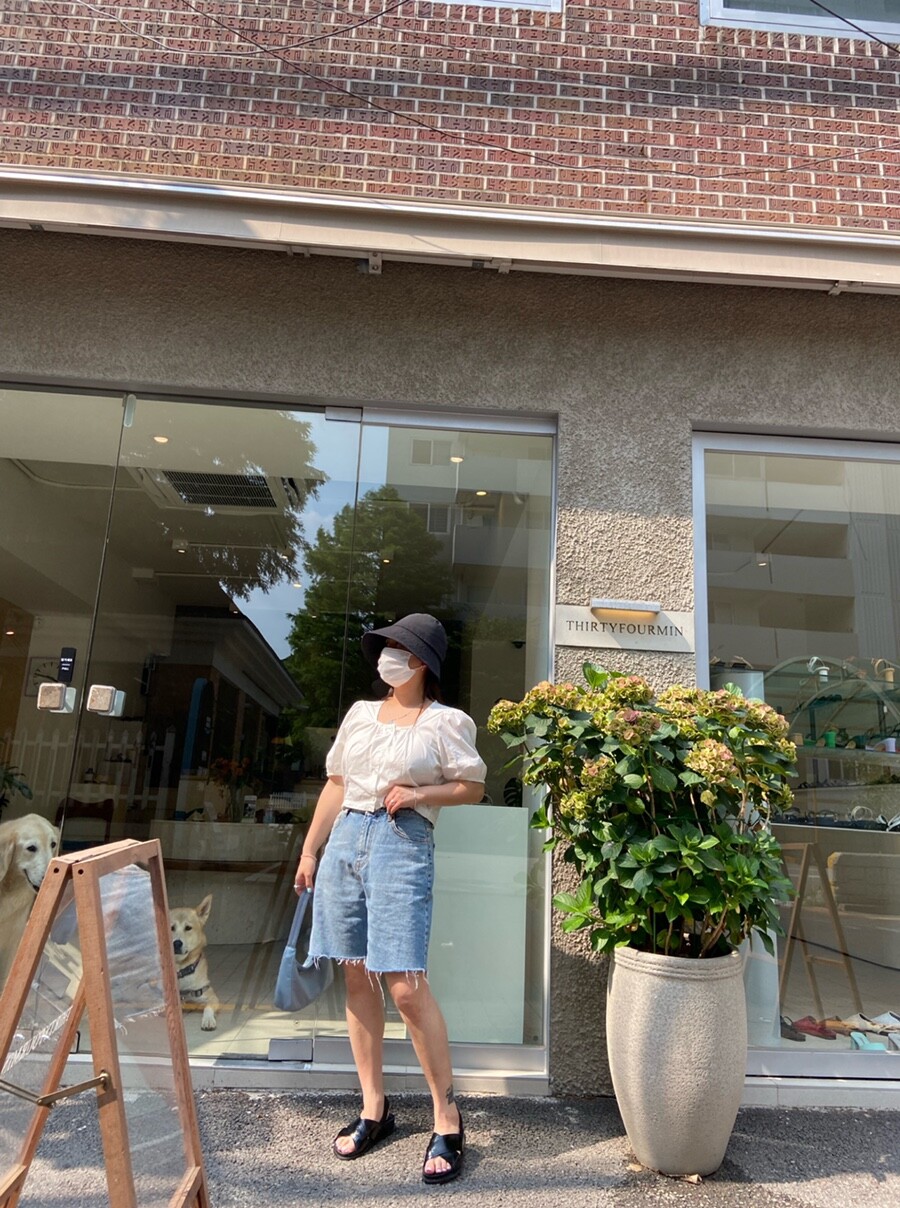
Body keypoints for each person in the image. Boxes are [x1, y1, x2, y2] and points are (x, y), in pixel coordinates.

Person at [293, 613, 486, 1185]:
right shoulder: (359, 713)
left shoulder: (446, 721)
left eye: (397, 648)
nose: (385, 657)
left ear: (421, 661)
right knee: (355, 975)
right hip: (346, 838)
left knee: (404, 983)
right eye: (383, 647)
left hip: (402, 840)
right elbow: (336, 784)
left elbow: (473, 786)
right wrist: (309, 851)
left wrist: (421, 792)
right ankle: (373, 1108)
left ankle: (447, 1117)